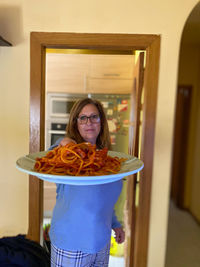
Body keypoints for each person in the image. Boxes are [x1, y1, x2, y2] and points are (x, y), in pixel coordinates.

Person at [49, 97, 125, 267]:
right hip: (70, 245)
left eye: (94, 116)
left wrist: (116, 224)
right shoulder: (68, 155)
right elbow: (51, 153)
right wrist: (65, 144)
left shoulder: (108, 159)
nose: (89, 122)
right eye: (82, 118)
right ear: (75, 122)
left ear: (101, 121)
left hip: (101, 242)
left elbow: (104, 200)